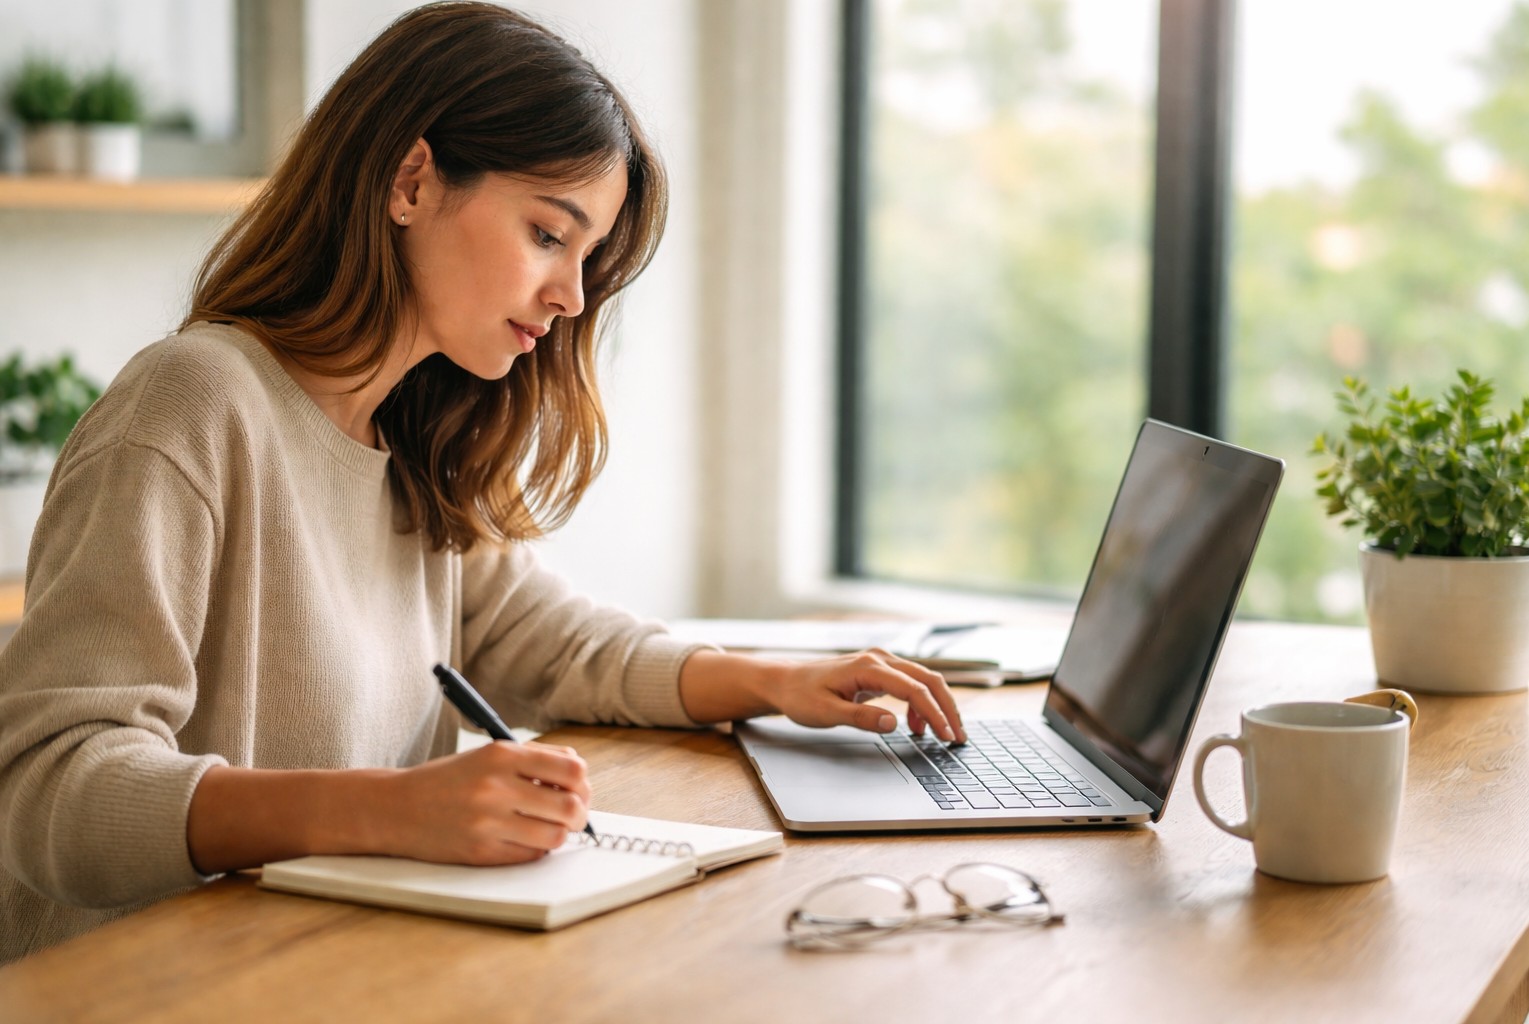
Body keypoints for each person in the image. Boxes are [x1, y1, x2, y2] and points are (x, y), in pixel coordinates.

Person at [0, 2, 965, 964]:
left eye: (588, 259)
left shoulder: (409, 438)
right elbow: (51, 792)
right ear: (411, 180)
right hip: (146, 989)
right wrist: (386, 810)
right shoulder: (192, 405)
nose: (572, 295)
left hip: (328, 969)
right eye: (550, 234)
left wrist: (773, 682)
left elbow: (545, 643)